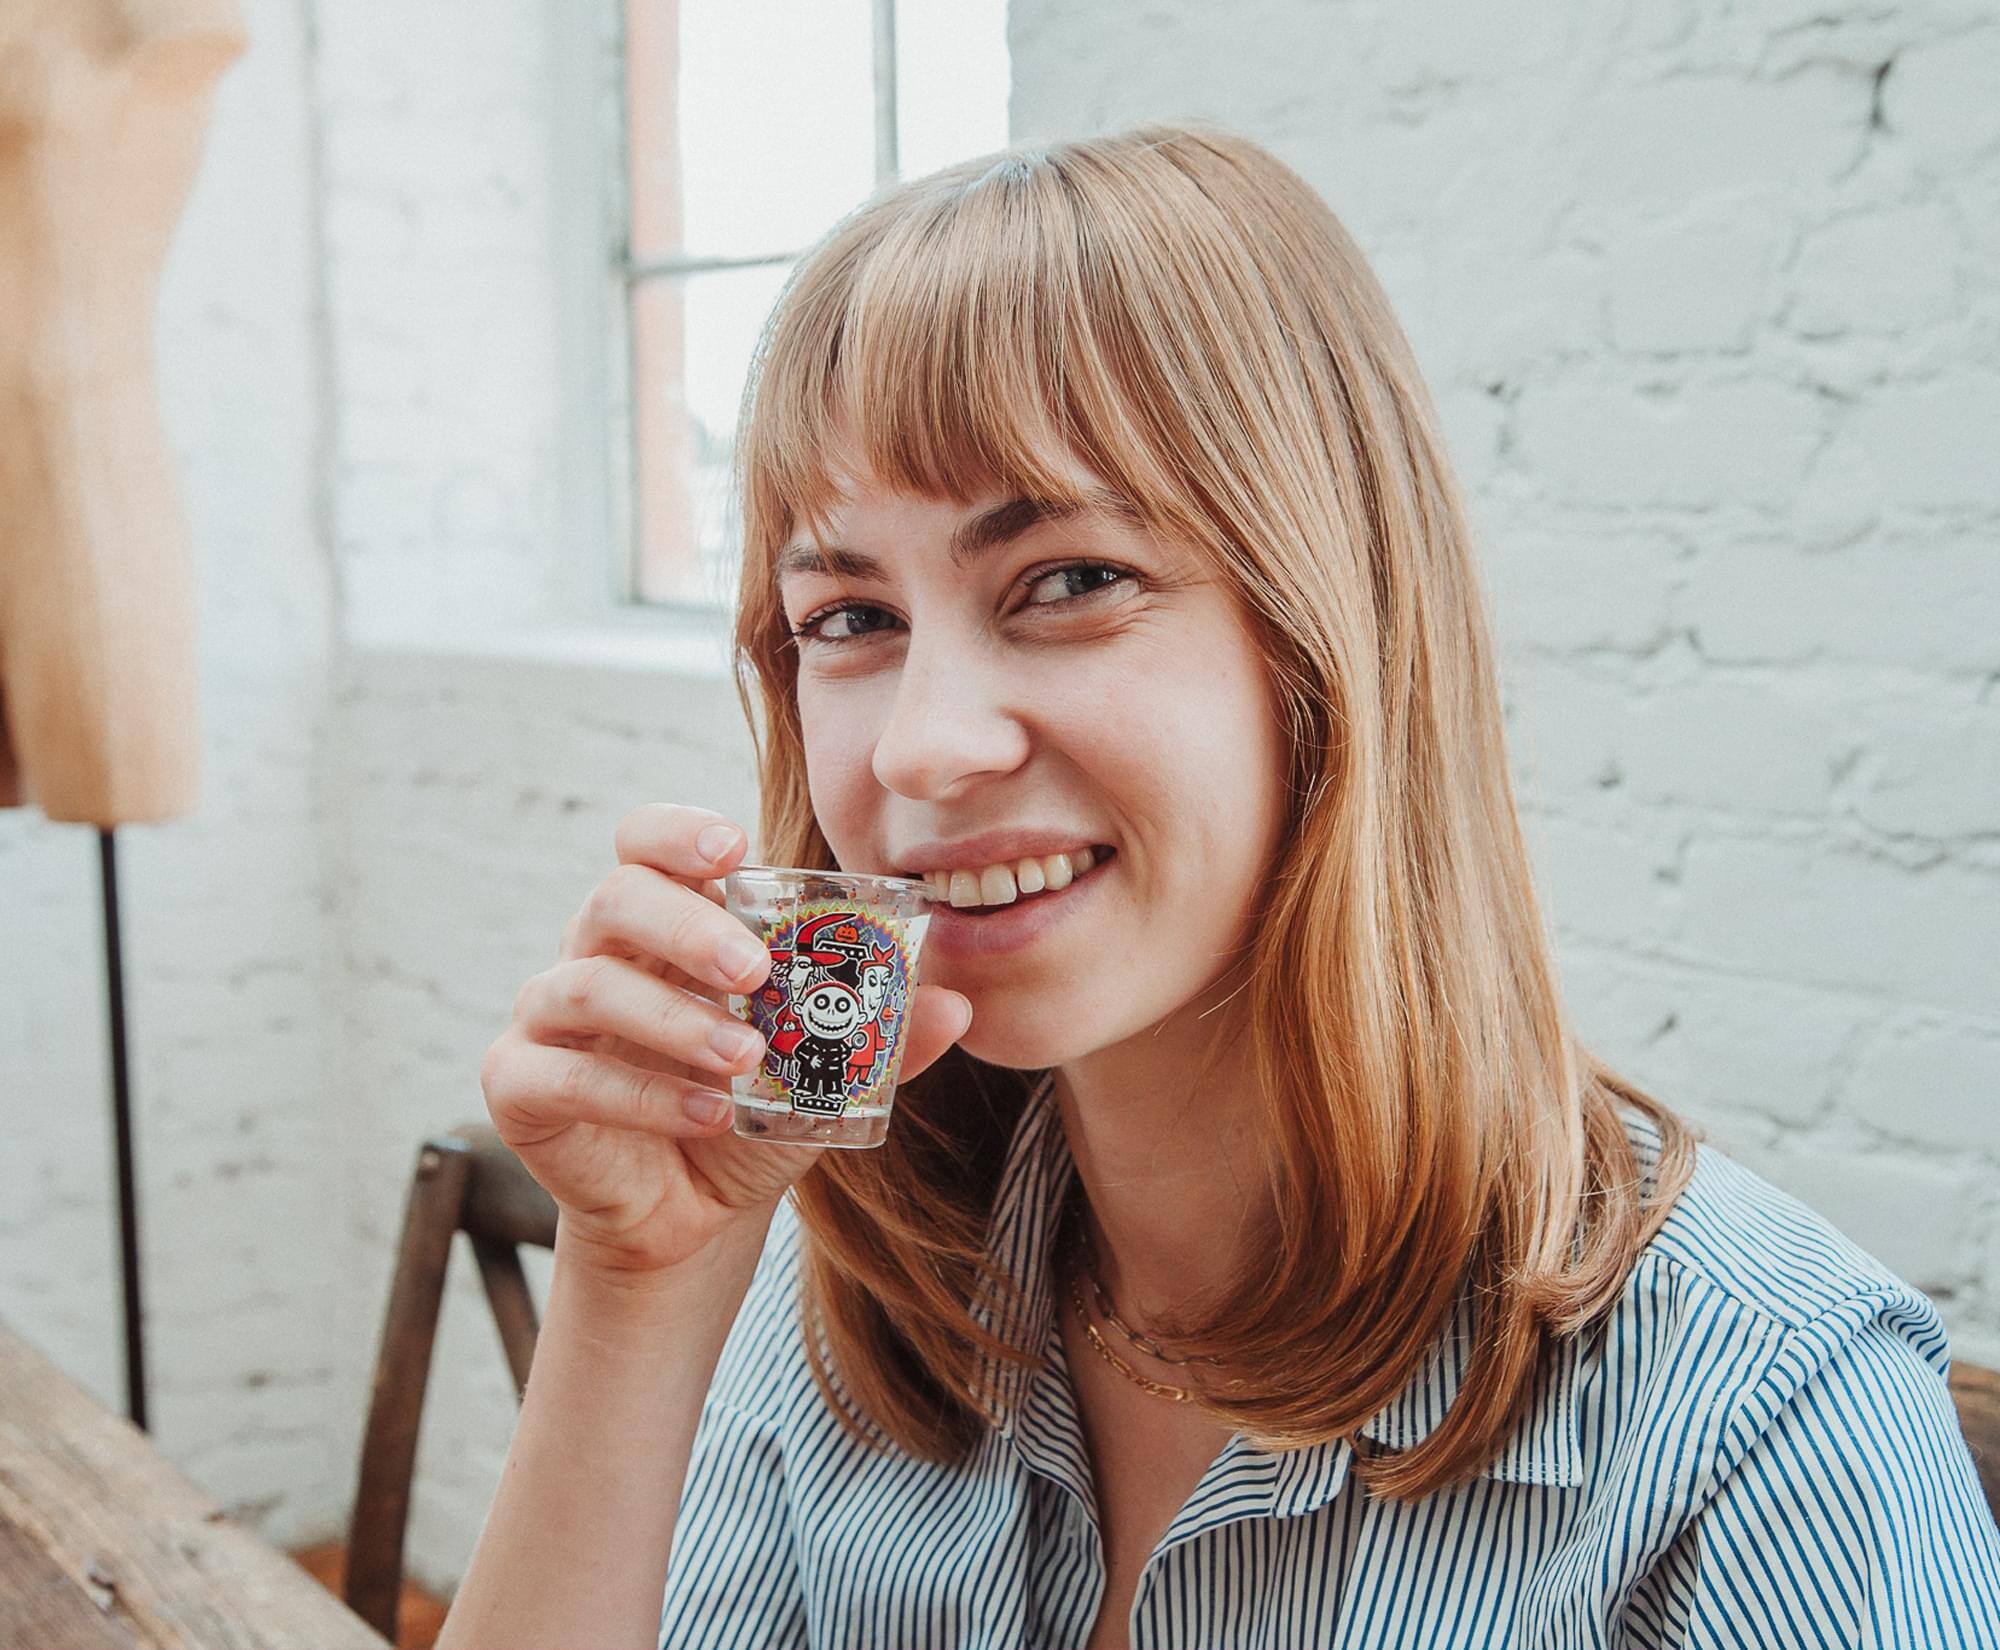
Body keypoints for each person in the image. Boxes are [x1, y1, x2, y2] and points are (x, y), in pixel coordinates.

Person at [436, 122, 2000, 1649]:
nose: (922, 746)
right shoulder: (856, 1278)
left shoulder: (1768, 1424)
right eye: (850, 617)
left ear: (1329, 639)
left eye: (1069, 581)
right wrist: (639, 1297)